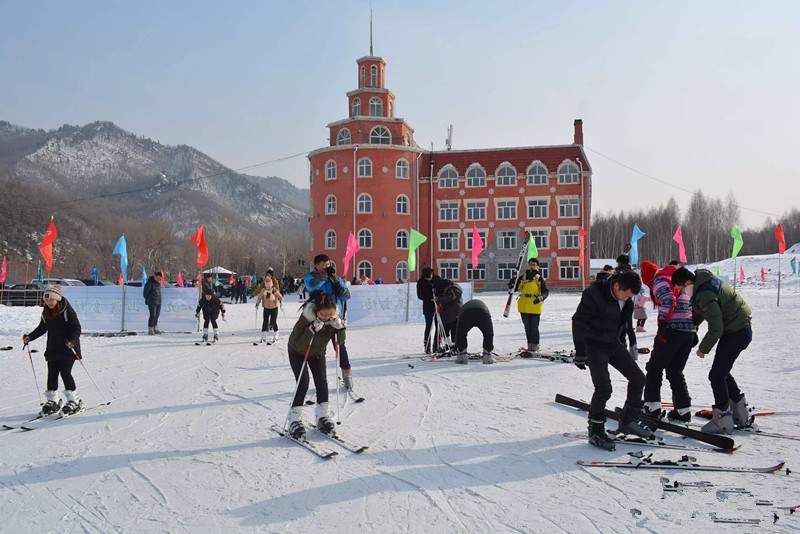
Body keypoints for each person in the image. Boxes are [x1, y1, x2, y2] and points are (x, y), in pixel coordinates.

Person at [572, 270, 652, 450]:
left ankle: (629, 421)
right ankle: (595, 430)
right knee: (604, 389)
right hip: (594, 346)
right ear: (616, 285)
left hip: (613, 344)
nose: (626, 298)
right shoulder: (594, 294)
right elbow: (578, 321)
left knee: (638, 378)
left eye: (629, 296)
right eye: (625, 294)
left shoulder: (627, 298)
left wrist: (631, 343)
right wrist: (580, 351)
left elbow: (625, 324)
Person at [671, 267, 753, 433]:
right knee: (722, 372)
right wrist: (693, 323)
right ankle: (740, 414)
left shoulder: (704, 293)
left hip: (736, 331)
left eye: (680, 289)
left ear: (687, 283)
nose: (682, 293)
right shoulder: (704, 283)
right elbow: (703, 310)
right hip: (740, 329)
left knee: (716, 376)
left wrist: (703, 349)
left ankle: (722, 420)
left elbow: (716, 326)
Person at [640, 261, 697, 423]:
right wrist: (695, 327)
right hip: (688, 331)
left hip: (672, 329)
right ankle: (683, 410)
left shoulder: (659, 280)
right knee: (675, 370)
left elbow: (668, 300)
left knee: (654, 367)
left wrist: (663, 325)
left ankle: (652, 407)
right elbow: (693, 305)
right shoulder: (679, 280)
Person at [286, 291, 341, 439]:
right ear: (317, 311)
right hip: (298, 352)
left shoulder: (333, 319)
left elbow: (339, 342)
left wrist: (340, 328)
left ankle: (322, 417)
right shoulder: (306, 319)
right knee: (303, 383)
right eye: (323, 315)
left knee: (322, 382)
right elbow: (299, 345)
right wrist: (311, 330)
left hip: (317, 353)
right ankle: (294, 420)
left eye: (331, 313)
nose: (327, 317)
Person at [22, 285, 83, 415]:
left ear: (57, 299)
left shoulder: (67, 310)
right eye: (47, 300)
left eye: (52, 300)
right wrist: (29, 337)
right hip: (53, 348)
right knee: (52, 374)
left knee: (65, 373)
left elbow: (77, 327)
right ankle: (52, 400)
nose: (49, 303)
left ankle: (74, 400)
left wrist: (72, 341)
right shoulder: (46, 312)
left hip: (68, 347)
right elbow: (42, 328)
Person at [304, 254, 354, 391]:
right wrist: (325, 276)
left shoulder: (334, 278)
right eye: (324, 265)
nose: (327, 267)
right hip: (319, 317)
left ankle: (347, 374)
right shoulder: (311, 277)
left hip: (335, 316)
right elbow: (312, 287)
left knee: (340, 345)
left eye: (328, 264)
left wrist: (337, 282)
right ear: (316, 265)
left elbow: (346, 295)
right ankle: (321, 378)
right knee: (320, 349)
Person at [512, 257, 549, 352]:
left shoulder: (540, 278)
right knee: (527, 328)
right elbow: (515, 288)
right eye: (531, 264)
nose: (532, 266)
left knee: (534, 327)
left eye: (534, 265)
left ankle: (535, 345)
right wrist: (512, 283)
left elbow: (545, 292)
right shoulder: (523, 277)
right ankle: (530, 346)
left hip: (535, 305)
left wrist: (541, 297)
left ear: (537, 267)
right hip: (523, 306)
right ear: (528, 265)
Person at [454, 299, 495, 364]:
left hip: (466, 313)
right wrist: (489, 347)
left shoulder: (462, 311)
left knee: (461, 334)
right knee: (488, 334)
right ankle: (487, 356)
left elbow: (459, 333)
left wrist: (459, 346)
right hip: (483, 313)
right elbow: (490, 333)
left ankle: (462, 355)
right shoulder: (484, 307)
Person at [416, 267, 441, 354]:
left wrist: (439, 298)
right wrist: (430, 298)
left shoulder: (437, 279)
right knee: (429, 326)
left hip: (438, 306)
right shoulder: (421, 282)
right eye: (427, 278)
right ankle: (427, 346)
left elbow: (442, 288)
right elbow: (420, 295)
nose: (429, 278)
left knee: (439, 326)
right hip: (428, 307)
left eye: (430, 276)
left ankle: (436, 345)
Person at [436, 278, 463, 351]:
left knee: (454, 330)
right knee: (445, 330)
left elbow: (450, 298)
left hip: (454, 313)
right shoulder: (450, 289)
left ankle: (455, 346)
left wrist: (439, 300)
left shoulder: (454, 289)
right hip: (447, 314)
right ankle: (448, 345)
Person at [255, 278, 284, 343]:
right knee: (265, 321)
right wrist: (257, 304)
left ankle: (276, 333)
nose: (268, 288)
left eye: (269, 286)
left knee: (273, 322)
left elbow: (281, 297)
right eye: (267, 286)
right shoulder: (263, 290)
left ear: (271, 285)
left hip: (274, 308)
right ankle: (263, 335)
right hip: (266, 308)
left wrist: (281, 303)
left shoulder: (274, 290)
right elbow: (259, 297)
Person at [143, 271, 163, 335]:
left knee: (157, 315)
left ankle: (155, 328)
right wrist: (148, 300)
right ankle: (150, 329)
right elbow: (145, 293)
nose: (158, 279)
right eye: (158, 278)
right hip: (152, 302)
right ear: (155, 276)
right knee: (153, 315)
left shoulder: (158, 284)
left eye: (160, 278)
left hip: (158, 301)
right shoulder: (149, 283)